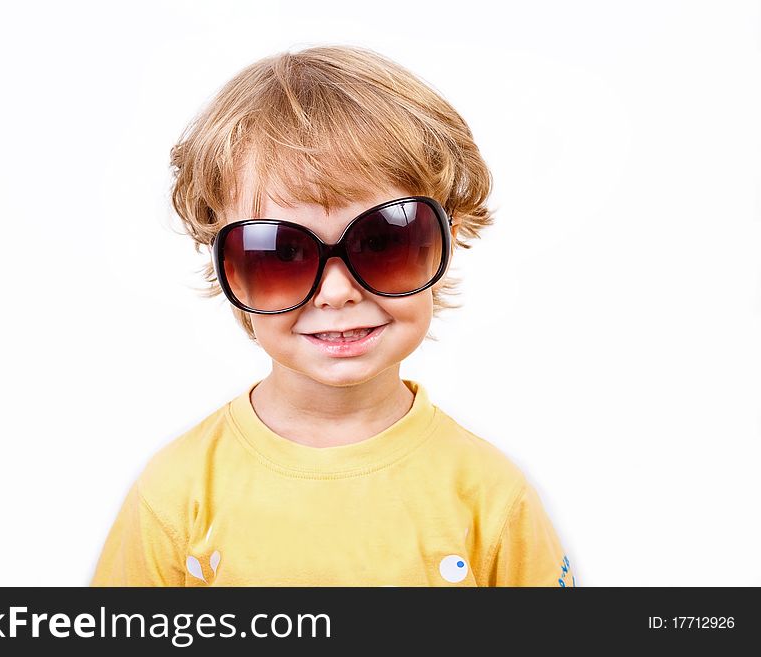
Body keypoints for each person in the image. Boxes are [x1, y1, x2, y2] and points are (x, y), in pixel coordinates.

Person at [90, 44, 576, 587]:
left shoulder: (490, 496)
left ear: (447, 242)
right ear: (226, 266)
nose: (336, 292)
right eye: (281, 253)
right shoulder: (177, 494)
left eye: (384, 240)